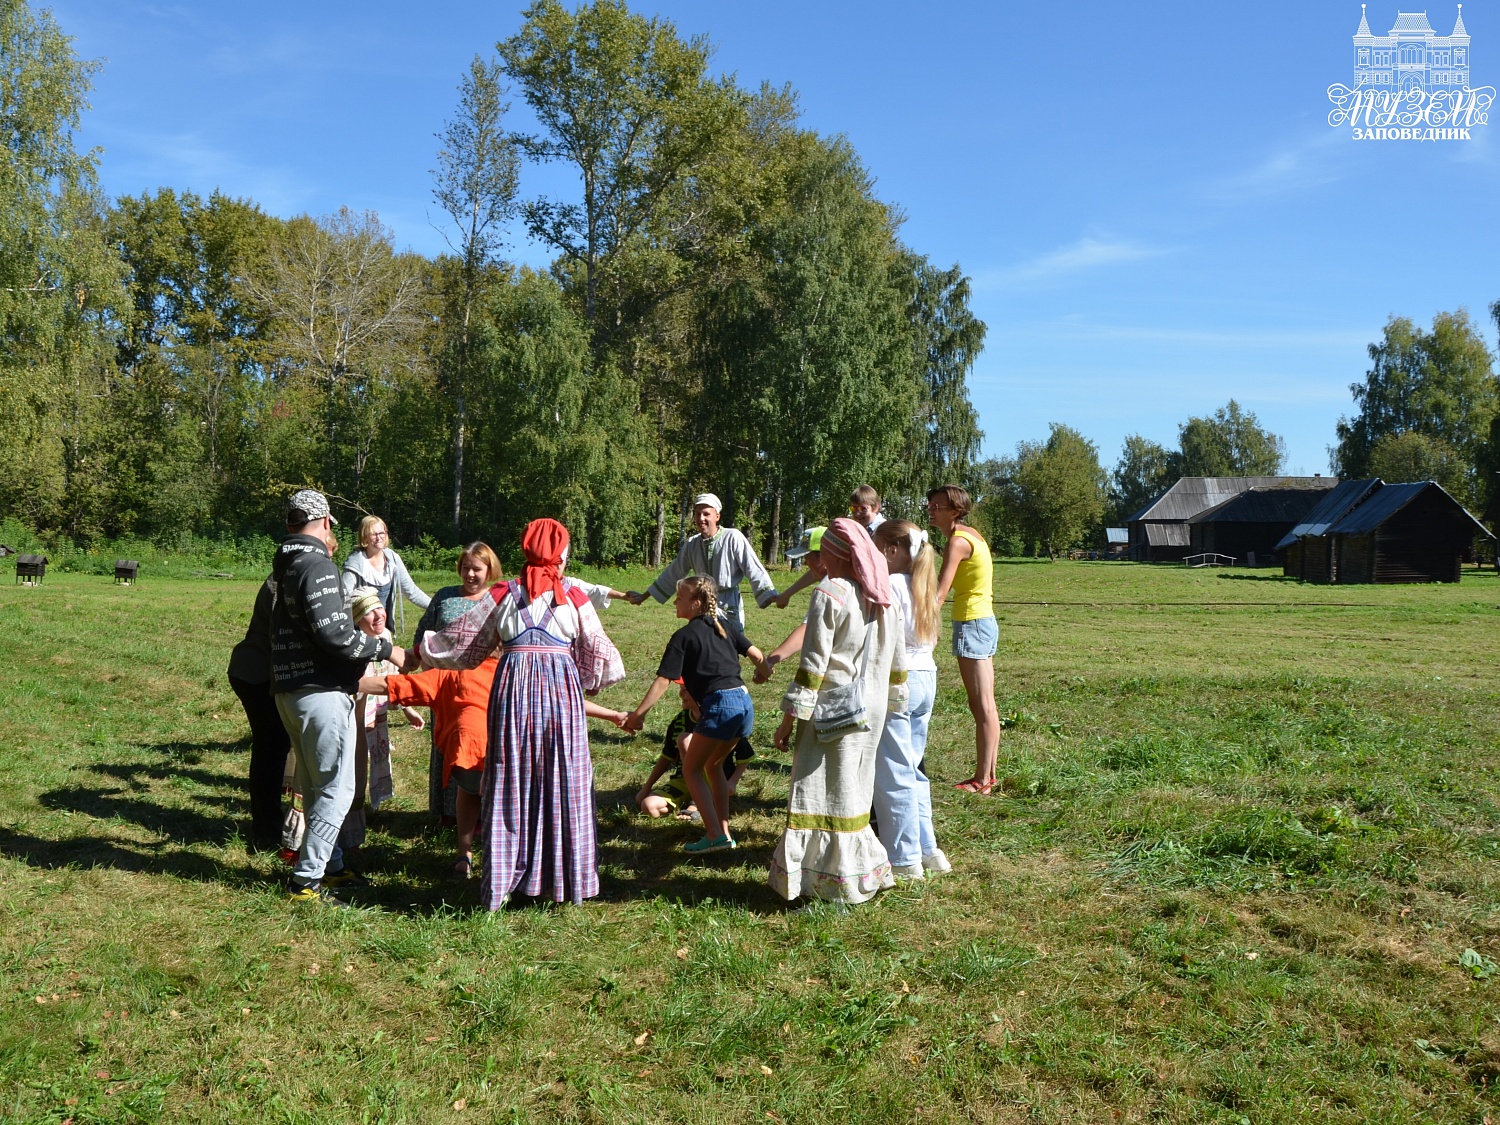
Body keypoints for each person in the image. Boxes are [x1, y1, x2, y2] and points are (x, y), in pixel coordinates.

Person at [419, 518, 625, 908]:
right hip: (561, 696)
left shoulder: (504, 594)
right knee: (560, 777)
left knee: (513, 777)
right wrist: (579, 679)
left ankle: (507, 877)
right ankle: (561, 879)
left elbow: (463, 646)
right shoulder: (574, 598)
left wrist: (423, 648)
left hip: (512, 692)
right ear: (560, 555)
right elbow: (605, 660)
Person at [271, 489, 403, 904]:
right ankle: (306, 882)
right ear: (326, 522)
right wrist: (386, 649)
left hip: (290, 692)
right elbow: (336, 635)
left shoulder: (286, 568)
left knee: (313, 787)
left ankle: (332, 866)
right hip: (321, 693)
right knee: (337, 789)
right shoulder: (319, 566)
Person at [769, 518, 907, 905]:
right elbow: (896, 662)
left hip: (833, 710)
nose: (819, 559)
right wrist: (894, 702)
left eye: (823, 551)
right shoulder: (884, 595)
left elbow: (813, 666)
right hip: (872, 709)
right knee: (854, 791)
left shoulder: (831, 592)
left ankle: (829, 882)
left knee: (819, 792)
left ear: (835, 552)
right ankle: (854, 876)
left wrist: (787, 720)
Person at [623, 577, 766, 852]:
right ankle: (724, 832)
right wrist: (765, 672)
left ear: (696, 603)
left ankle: (714, 835)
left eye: (679, 598)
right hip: (744, 702)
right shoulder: (726, 626)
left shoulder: (683, 637)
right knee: (713, 766)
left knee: (691, 769)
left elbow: (664, 681)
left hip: (720, 705)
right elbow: (757, 655)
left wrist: (638, 715)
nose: (675, 602)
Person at [871, 519, 951, 878]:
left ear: (891, 550)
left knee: (894, 774)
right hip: (926, 677)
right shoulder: (922, 585)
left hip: (899, 680)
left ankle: (904, 860)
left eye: (875, 547)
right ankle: (929, 849)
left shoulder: (888, 585)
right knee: (914, 770)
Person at [413, 542, 503, 824]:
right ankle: (446, 813)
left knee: (479, 748)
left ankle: (483, 815)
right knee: (445, 744)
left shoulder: (499, 601)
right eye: (465, 568)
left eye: (477, 568)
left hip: (484, 687)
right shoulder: (445, 596)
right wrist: (430, 678)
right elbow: (423, 639)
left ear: (490, 570)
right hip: (446, 685)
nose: (470, 574)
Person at [926, 484, 1000, 794]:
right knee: (984, 704)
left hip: (972, 623)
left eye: (937, 507)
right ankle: (988, 775)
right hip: (980, 621)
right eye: (930, 505)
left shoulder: (957, 542)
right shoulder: (970, 535)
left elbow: (940, 593)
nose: (931, 509)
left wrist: (921, 628)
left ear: (955, 511)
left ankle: (983, 779)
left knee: (981, 704)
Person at [338, 588, 423, 856]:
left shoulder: (385, 638)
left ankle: (355, 832)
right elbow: (354, 685)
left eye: (379, 609)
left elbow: (393, 673)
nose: (378, 615)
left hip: (371, 719)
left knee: (361, 770)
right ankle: (342, 836)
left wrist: (407, 708)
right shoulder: (352, 644)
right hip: (350, 716)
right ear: (356, 619)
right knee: (349, 771)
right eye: (367, 612)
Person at [626, 493, 778, 628]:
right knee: (704, 648)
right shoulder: (692, 544)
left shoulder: (733, 537)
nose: (701, 519)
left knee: (730, 650)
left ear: (717, 516)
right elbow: (674, 572)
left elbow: (754, 568)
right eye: (697, 514)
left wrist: (771, 595)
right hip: (701, 604)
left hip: (729, 605)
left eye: (706, 514)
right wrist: (644, 596)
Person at [227, 576, 290, 851]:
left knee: (273, 749)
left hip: (262, 673)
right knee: (271, 749)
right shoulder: (282, 581)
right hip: (256, 675)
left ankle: (269, 826)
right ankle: (266, 832)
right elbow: (281, 635)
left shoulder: (292, 575)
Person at [634, 682, 754, 821]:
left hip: (713, 781)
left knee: (686, 740)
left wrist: (732, 783)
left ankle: (697, 803)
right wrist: (646, 788)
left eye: (685, 690)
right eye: (680, 689)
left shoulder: (720, 718)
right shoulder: (680, 720)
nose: (680, 694)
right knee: (649, 806)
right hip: (683, 781)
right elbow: (667, 757)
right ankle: (692, 800)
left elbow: (746, 756)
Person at [340, 514, 431, 638]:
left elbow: (411, 591)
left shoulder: (393, 559)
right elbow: (344, 599)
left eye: (381, 533)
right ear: (364, 536)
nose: (379, 538)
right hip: (361, 632)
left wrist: (434, 605)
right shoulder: (355, 564)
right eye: (373, 534)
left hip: (384, 628)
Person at [759, 526, 827, 677]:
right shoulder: (843, 577)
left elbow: (807, 630)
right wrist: (787, 594)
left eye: (806, 557)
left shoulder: (828, 591)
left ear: (823, 557)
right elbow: (816, 573)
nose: (805, 563)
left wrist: (770, 660)